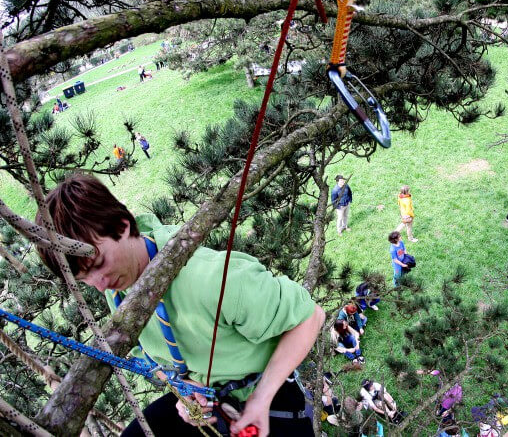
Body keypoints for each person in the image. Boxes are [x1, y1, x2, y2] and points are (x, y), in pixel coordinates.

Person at [36, 174, 324, 437]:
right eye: (84, 278)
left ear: (122, 225)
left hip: (270, 399)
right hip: (209, 402)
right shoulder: (119, 289)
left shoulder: (213, 279)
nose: (100, 285)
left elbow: (310, 317)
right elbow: (145, 352)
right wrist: (184, 390)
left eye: (99, 264)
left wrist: (261, 399)